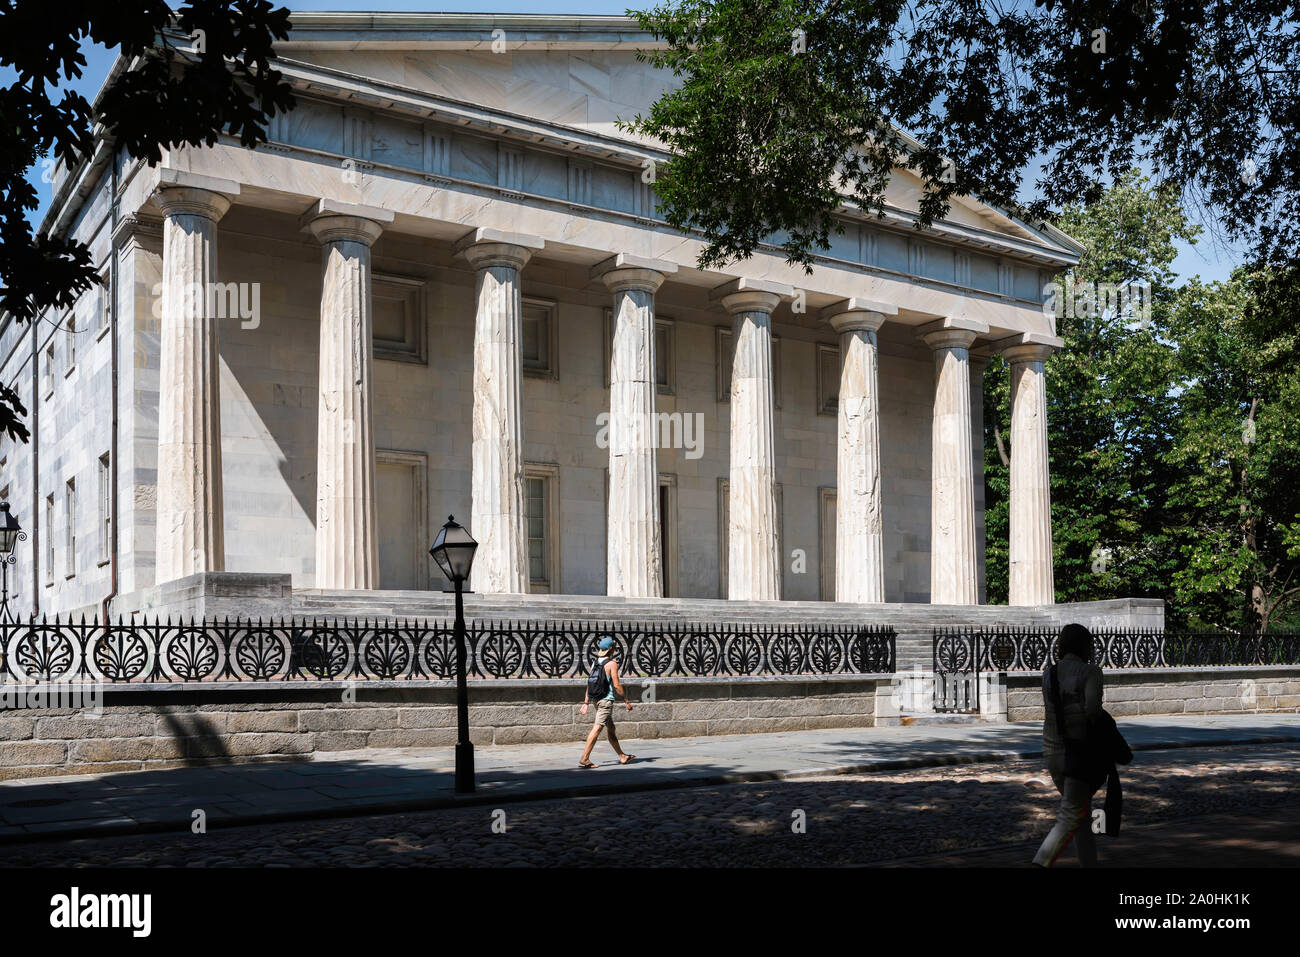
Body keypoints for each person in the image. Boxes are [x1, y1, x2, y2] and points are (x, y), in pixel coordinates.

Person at [1032, 622, 1106, 867]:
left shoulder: (1049, 673)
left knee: (1081, 814)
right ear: (1086, 646)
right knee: (1070, 815)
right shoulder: (1090, 672)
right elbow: (1093, 711)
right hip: (1079, 752)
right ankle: (1039, 863)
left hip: (1052, 750)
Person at [578, 637, 635, 768]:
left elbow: (590, 682)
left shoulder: (595, 662)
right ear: (611, 649)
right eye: (614, 647)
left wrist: (586, 702)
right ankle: (584, 758)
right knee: (597, 728)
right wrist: (626, 701)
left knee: (611, 728)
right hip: (606, 701)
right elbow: (617, 685)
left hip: (595, 700)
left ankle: (622, 756)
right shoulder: (611, 664)